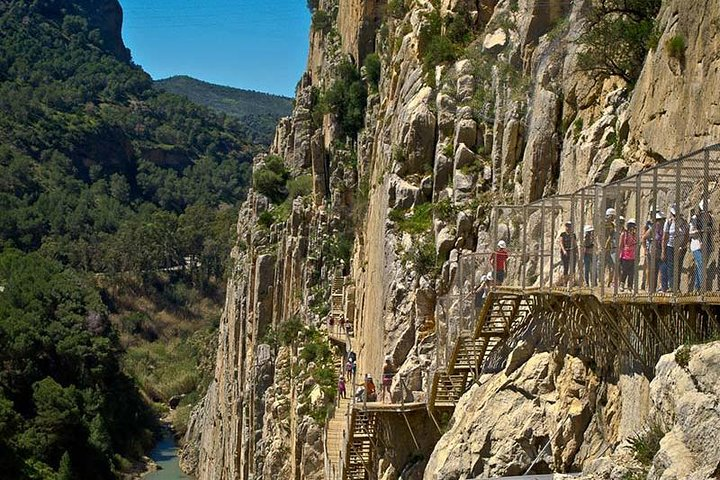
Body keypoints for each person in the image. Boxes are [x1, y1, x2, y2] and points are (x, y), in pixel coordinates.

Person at [642, 211, 665, 293]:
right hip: (652, 252)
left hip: (661, 252)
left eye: (661, 220)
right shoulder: (652, 229)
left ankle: (660, 287)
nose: (660, 222)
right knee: (653, 270)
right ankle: (651, 288)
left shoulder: (664, 229)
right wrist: (645, 249)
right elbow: (643, 238)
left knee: (661, 270)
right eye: (658, 220)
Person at [619, 218, 638, 291]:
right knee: (624, 271)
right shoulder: (624, 234)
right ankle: (622, 284)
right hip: (625, 256)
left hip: (632, 256)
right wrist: (620, 255)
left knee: (631, 273)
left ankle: (630, 286)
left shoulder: (634, 235)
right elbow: (621, 245)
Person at [558, 221, 578, 286]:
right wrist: (564, 250)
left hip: (572, 251)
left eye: (569, 226)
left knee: (573, 267)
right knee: (566, 267)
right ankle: (565, 282)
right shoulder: (562, 234)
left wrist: (577, 252)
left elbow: (575, 243)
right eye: (567, 226)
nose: (568, 228)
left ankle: (572, 282)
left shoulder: (573, 234)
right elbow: (561, 243)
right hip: (565, 252)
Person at [604, 208, 618, 288]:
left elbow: (611, 236)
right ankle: (607, 282)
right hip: (607, 248)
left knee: (612, 267)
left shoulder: (612, 225)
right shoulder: (606, 224)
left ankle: (610, 282)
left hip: (611, 248)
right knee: (607, 266)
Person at [689, 225, 703, 292]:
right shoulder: (693, 220)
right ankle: (701, 286)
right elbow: (690, 233)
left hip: (700, 247)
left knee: (698, 267)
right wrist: (698, 231)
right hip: (696, 247)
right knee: (700, 264)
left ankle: (697, 286)